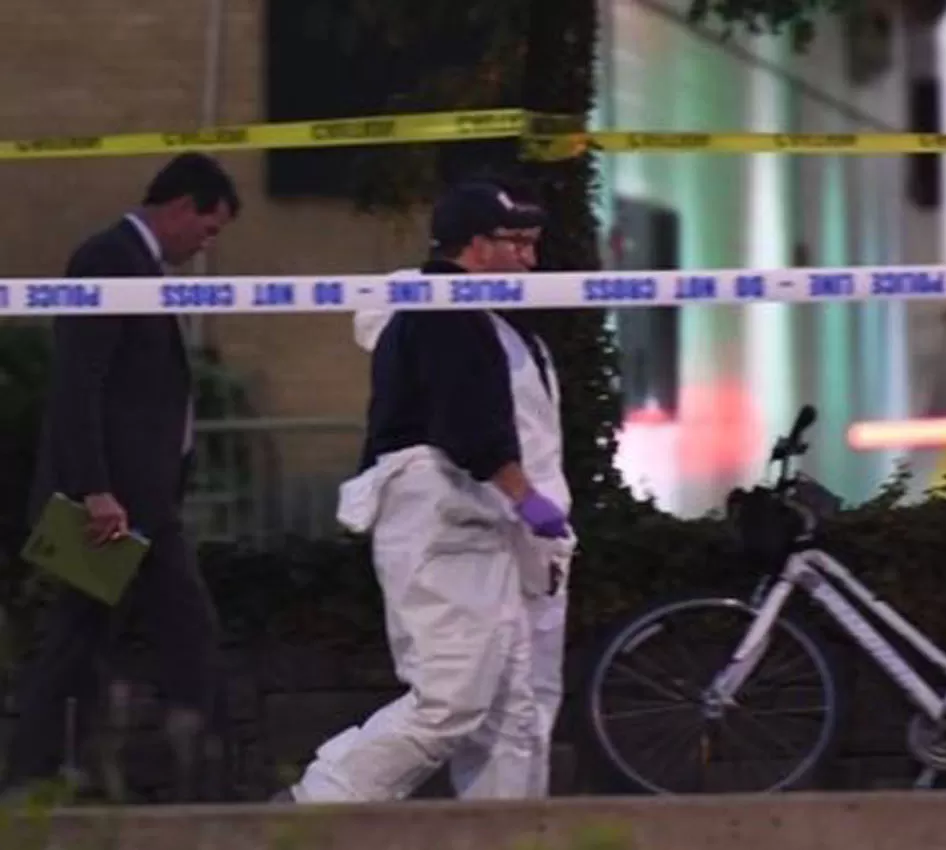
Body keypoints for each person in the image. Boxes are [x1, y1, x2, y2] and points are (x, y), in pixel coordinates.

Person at [279, 179, 573, 803]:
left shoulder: (477, 320)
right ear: (474, 244)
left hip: (477, 533)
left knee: (509, 708)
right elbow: (472, 428)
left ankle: (508, 839)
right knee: (453, 701)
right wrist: (528, 499)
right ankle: (319, 806)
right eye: (516, 242)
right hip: (450, 530)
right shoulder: (446, 313)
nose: (530, 258)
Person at [2, 153, 241, 799]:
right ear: (182, 206)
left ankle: (40, 776)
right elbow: (79, 385)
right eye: (209, 228)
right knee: (183, 630)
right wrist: (96, 490)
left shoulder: (139, 267)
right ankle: (209, 783)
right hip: (116, 507)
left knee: (79, 638)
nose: (206, 244)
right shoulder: (107, 260)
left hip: (139, 501)